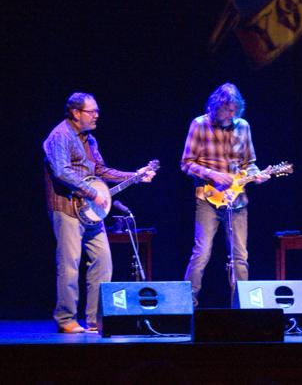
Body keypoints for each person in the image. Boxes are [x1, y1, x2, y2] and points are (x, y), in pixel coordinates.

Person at [43, 92, 156, 333]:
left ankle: (95, 320)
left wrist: (134, 175)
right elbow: (61, 172)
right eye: (91, 111)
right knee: (69, 264)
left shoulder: (90, 140)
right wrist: (91, 192)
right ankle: (66, 319)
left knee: (103, 261)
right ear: (75, 113)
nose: (96, 115)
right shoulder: (60, 136)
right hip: (66, 207)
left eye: (97, 111)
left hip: (92, 212)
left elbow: (101, 170)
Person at [181, 83, 269, 306]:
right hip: (207, 199)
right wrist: (213, 174)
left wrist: (257, 175)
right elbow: (186, 163)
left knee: (240, 256)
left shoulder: (243, 126)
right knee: (201, 253)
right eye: (228, 109)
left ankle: (242, 307)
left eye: (235, 110)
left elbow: (250, 163)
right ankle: (186, 305)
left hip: (237, 201)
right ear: (216, 106)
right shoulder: (199, 124)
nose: (232, 114)